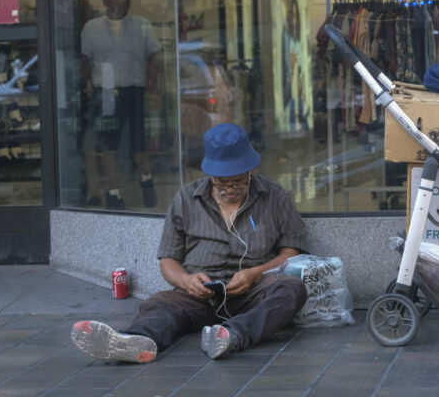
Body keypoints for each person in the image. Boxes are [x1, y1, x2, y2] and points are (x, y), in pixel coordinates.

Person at [71, 123, 308, 362]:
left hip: (252, 295)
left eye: (237, 181)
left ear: (251, 170)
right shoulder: (186, 198)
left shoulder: (276, 197)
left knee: (292, 288)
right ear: (209, 173)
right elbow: (168, 261)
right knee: (158, 303)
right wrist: (187, 280)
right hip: (198, 297)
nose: (229, 189)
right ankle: (137, 341)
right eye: (221, 182)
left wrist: (255, 274)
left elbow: (291, 253)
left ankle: (232, 335)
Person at [80, 0, 161, 209]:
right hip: (105, 91)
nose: (118, 1)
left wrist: (154, 87)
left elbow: (154, 58)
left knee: (139, 143)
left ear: (129, 0)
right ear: (105, 0)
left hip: (135, 90)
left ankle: (146, 181)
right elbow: (85, 62)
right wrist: (85, 88)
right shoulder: (92, 28)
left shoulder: (142, 26)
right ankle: (113, 193)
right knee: (109, 144)